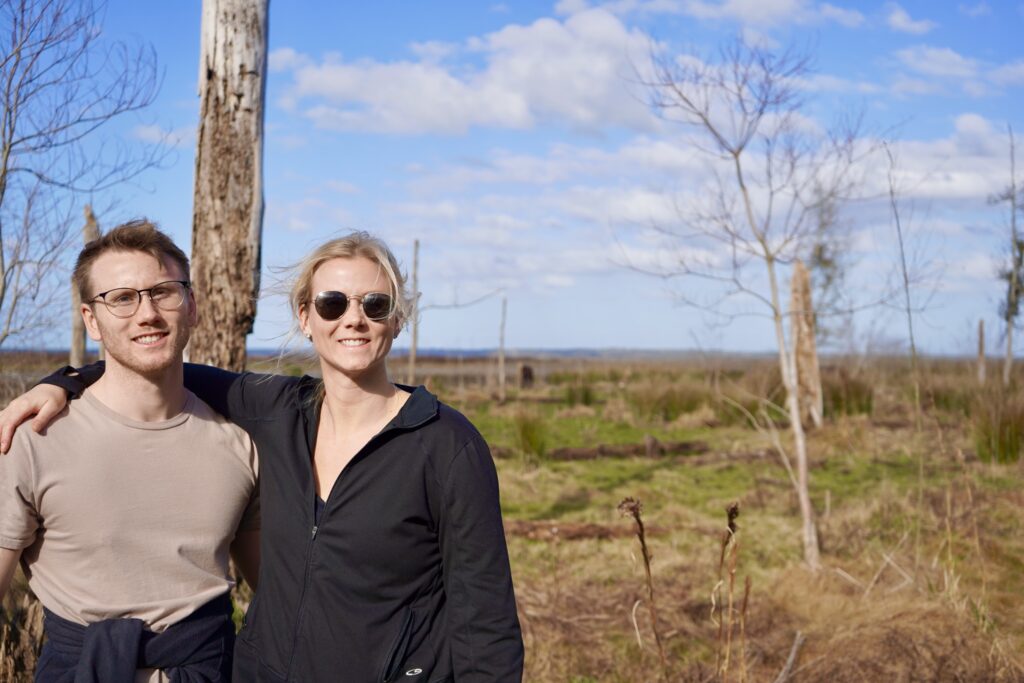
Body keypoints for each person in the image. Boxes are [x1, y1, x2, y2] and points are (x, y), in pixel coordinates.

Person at [2, 231, 524, 682]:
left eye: (376, 304)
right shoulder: (278, 413)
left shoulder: (444, 444)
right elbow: (149, 363)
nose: (355, 319)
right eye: (333, 304)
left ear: (397, 317)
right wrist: (66, 381)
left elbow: (486, 621)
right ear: (306, 316)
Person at [0, 220, 260, 682]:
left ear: (192, 306)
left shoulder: (239, 444)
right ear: (90, 320)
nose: (147, 313)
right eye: (121, 297)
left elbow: (279, 596)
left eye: (164, 291)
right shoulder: (31, 439)